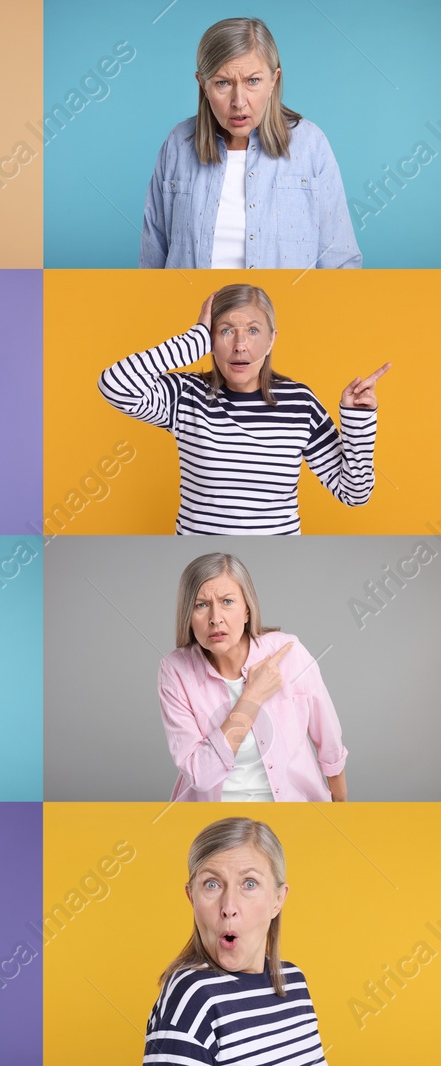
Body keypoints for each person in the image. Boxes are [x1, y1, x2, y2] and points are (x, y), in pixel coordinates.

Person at [97, 283, 389, 534]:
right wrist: (194, 340)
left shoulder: (300, 403)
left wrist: (357, 420)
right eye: (226, 331)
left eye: (252, 330)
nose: (240, 345)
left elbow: (355, 493)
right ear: (211, 339)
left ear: (271, 339)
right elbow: (114, 384)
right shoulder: (186, 396)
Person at [140, 17, 359, 269]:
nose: (239, 101)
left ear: (273, 80)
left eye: (252, 81)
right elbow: (151, 263)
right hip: (188, 309)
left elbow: (340, 261)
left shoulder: (311, 145)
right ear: (203, 85)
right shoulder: (178, 144)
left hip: (288, 309)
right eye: (223, 83)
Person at [159, 553, 347, 802]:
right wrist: (252, 696)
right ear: (188, 616)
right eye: (201, 605)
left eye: (227, 601)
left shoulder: (289, 653)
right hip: (215, 823)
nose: (216, 618)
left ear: (247, 611)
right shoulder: (175, 670)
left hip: (294, 811)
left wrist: (343, 810)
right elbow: (201, 775)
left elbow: (330, 742)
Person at [143, 817, 326, 1064]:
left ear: (278, 899)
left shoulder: (294, 982)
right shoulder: (193, 996)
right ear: (191, 897)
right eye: (212, 884)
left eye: (249, 884)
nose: (228, 907)